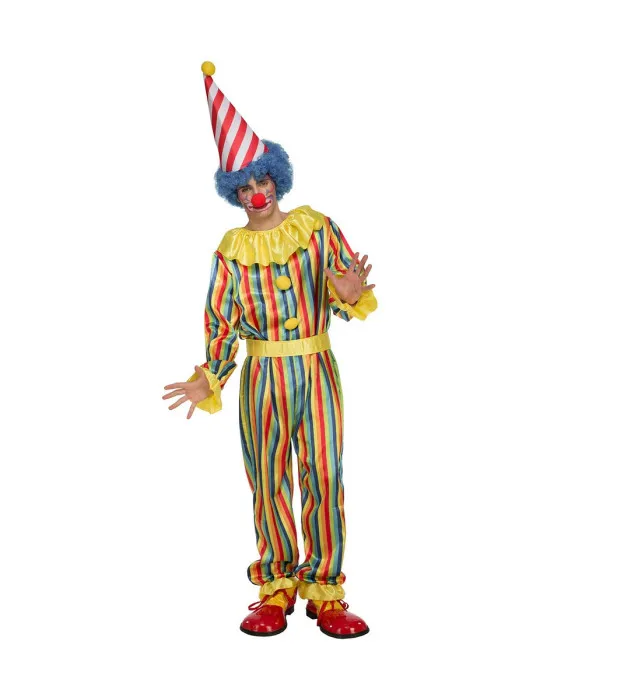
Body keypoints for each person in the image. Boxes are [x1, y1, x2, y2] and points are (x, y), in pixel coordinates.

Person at [163, 61, 377, 638]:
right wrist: (211, 374)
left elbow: (344, 285)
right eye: (244, 187)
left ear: (277, 181)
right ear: (234, 193)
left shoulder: (316, 228)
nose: (256, 195)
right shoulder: (231, 251)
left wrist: (348, 293)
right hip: (262, 377)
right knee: (268, 476)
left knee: (324, 474)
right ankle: (276, 587)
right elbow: (222, 321)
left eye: (262, 182)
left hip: (316, 367)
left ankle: (326, 591)